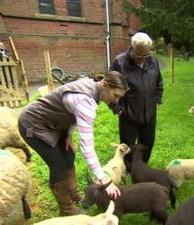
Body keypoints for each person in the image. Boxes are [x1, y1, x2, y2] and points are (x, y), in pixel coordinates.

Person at [18, 71, 129, 216]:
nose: (116, 101)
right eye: (116, 96)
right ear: (105, 85)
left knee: (69, 155)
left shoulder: (93, 87)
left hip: (54, 123)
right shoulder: (85, 101)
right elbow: (87, 147)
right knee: (58, 164)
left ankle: (74, 195)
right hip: (33, 124)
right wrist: (103, 178)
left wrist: (69, 135)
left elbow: (73, 113)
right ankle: (67, 209)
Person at [109, 32, 163, 171]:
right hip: (128, 113)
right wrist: (117, 108)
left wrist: (157, 100)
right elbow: (110, 87)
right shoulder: (119, 62)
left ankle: (142, 166)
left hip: (149, 112)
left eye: (146, 55)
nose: (143, 58)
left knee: (147, 142)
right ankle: (129, 168)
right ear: (131, 48)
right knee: (128, 145)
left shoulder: (153, 61)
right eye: (139, 55)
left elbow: (159, 83)